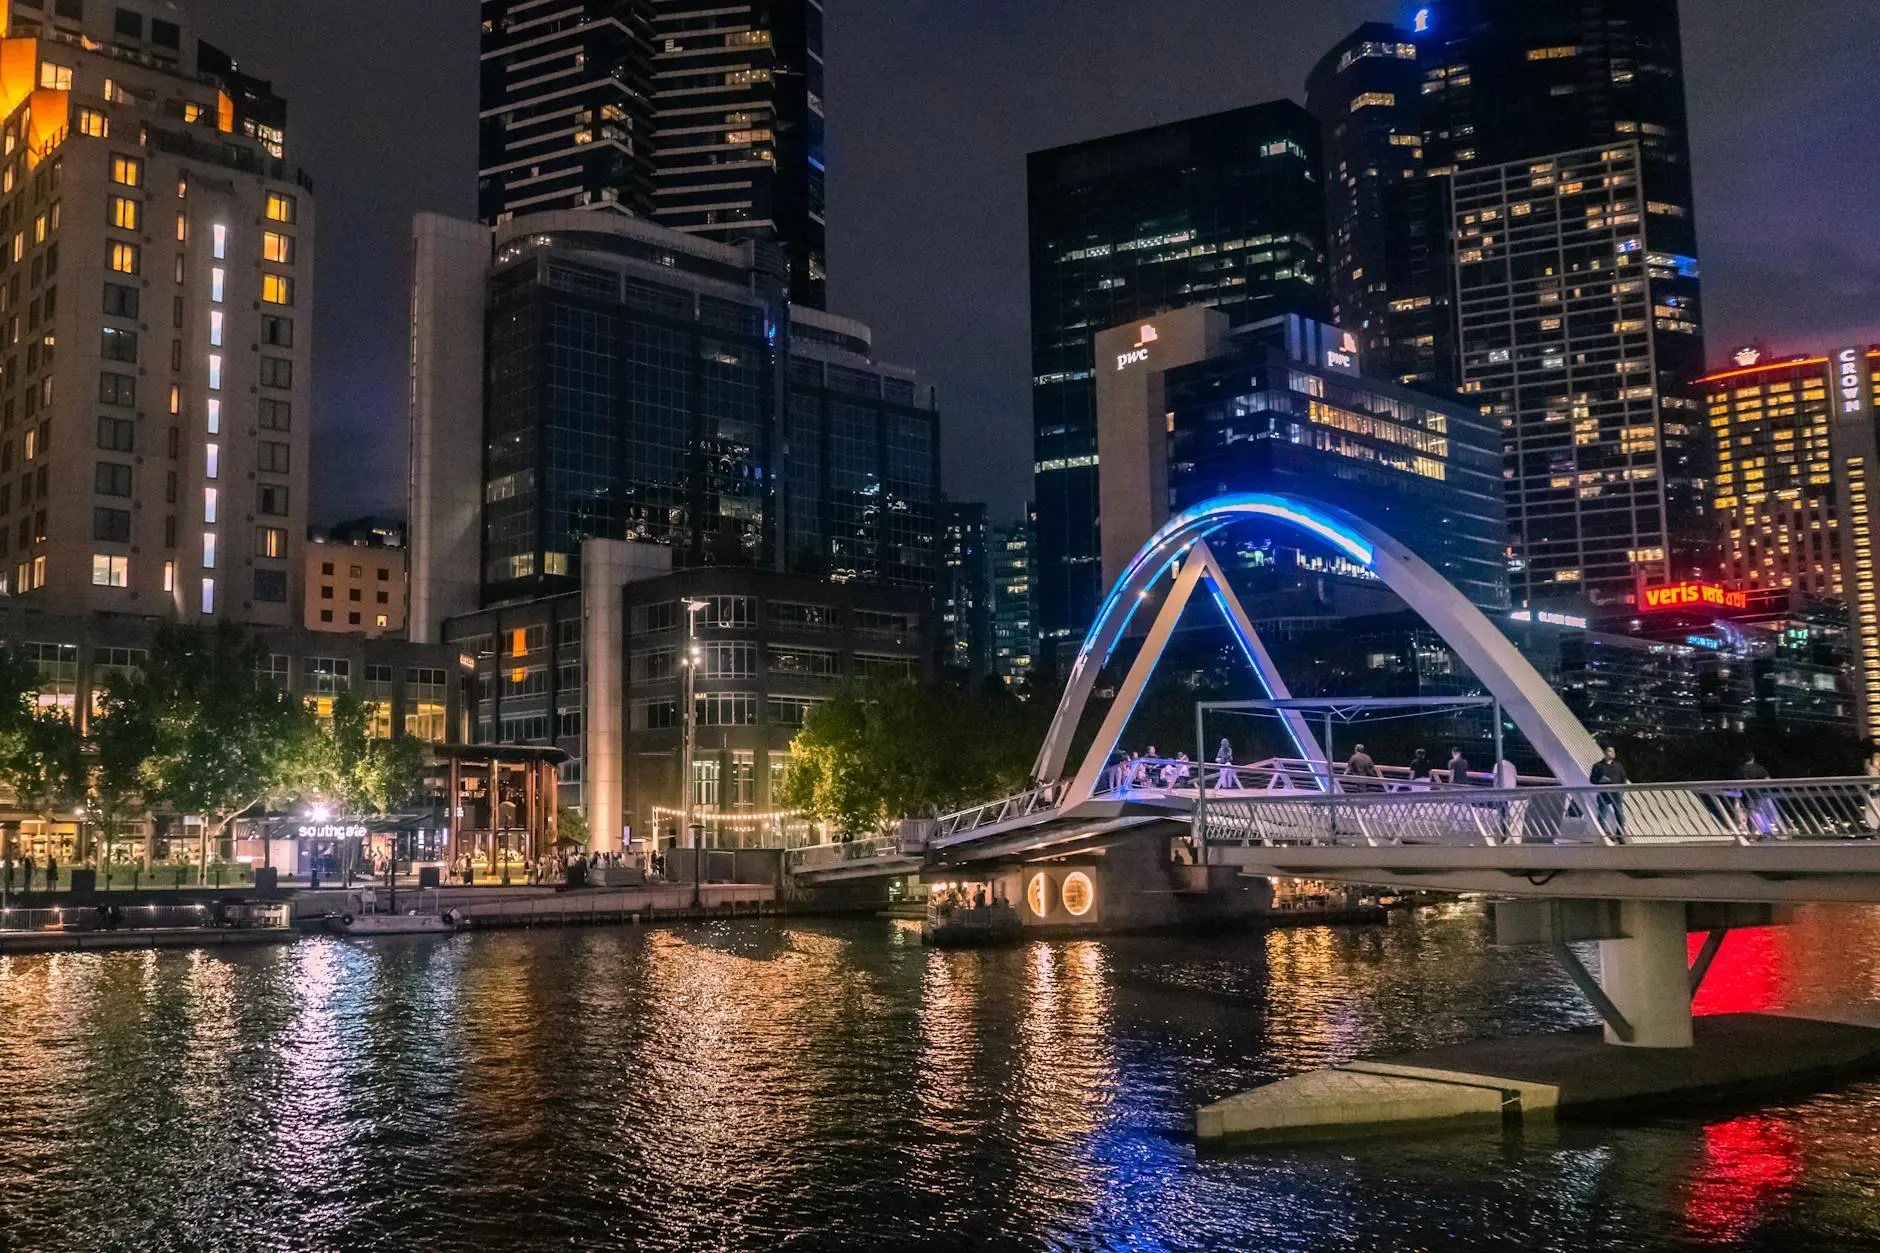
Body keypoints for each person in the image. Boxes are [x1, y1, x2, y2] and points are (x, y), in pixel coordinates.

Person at [1588, 745, 1628, 841]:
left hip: (1616, 793)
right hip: (1603, 793)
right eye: (1610, 751)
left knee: (1619, 813)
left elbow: (1623, 778)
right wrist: (1599, 781)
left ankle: (1620, 835)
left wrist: (1621, 791)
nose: (1612, 753)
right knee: (1602, 814)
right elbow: (1592, 779)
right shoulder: (1598, 766)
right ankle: (1603, 835)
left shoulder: (1618, 765)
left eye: (1613, 751)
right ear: (1605, 753)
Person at [1740, 752, 1775, 835]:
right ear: (1753, 758)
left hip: (1744, 792)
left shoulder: (1741, 769)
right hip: (1757, 792)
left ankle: (1744, 830)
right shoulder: (1759, 768)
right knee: (1757, 811)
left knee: (1744, 810)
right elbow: (1768, 780)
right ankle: (1756, 830)